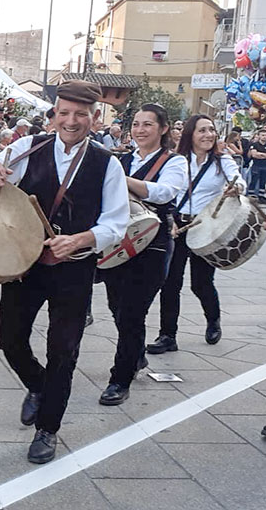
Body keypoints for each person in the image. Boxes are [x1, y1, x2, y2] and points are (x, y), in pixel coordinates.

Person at [0, 80, 130, 464]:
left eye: (80, 114)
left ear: (94, 118)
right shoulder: (28, 146)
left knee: (63, 349)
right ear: (53, 114)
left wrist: (80, 239)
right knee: (9, 338)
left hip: (74, 269)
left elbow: (117, 223)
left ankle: (48, 428)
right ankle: (38, 386)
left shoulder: (108, 163)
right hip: (26, 264)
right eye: (64, 113)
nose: (71, 121)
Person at [95, 103, 187, 406]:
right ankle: (135, 356)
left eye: (148, 124)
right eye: (136, 124)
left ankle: (119, 378)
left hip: (154, 243)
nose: (140, 130)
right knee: (116, 306)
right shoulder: (121, 159)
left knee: (133, 311)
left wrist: (119, 179)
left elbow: (163, 192)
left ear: (163, 129)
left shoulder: (174, 162)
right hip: (116, 241)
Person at [148, 115, 245, 355]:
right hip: (176, 226)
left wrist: (236, 188)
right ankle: (167, 335)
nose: (208, 135)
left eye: (211, 129)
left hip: (205, 228)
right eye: (202, 130)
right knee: (170, 283)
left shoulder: (223, 160)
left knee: (201, 283)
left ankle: (213, 320)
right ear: (191, 134)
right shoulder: (178, 161)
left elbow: (239, 181)